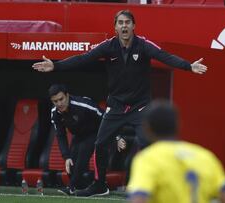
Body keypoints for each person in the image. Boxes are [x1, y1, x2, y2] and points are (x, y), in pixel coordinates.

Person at [32, 9, 207, 197]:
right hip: (115, 106)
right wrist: (56, 66)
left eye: (128, 22)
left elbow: (165, 56)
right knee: (100, 144)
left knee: (147, 144)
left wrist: (189, 66)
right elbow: (83, 58)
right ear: (115, 27)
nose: (124, 26)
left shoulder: (144, 45)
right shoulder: (108, 46)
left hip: (140, 106)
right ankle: (100, 185)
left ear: (134, 26)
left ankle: (156, 186)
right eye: (120, 23)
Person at [127, 100, 225, 203]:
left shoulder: (148, 159)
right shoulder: (204, 156)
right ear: (178, 125)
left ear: (147, 128)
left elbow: (139, 198)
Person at [48, 84, 103, 195]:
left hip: (96, 132)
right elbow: (60, 135)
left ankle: (71, 188)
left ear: (67, 96)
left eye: (61, 99)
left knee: (83, 153)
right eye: (55, 101)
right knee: (71, 165)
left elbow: (105, 117)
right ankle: (85, 187)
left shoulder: (83, 105)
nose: (59, 103)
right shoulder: (55, 113)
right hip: (78, 135)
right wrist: (66, 156)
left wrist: (117, 137)